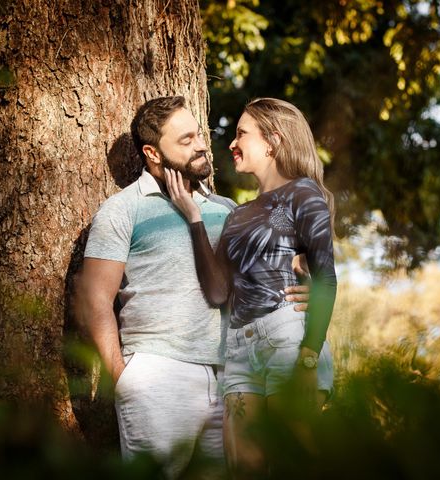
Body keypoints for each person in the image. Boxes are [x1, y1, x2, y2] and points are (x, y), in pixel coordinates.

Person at [75, 96, 310, 479]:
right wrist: (123, 377)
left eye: (199, 133)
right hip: (158, 374)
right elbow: (96, 299)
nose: (202, 144)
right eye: (185, 140)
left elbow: (263, 283)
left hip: (231, 379)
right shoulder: (123, 210)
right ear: (152, 153)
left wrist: (308, 291)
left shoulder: (228, 209)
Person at [165, 97, 337, 478]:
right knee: (245, 469)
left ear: (272, 141)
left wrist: (308, 360)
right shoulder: (238, 214)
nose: (231, 143)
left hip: (289, 340)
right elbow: (218, 293)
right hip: (240, 347)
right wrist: (193, 220)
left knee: (298, 462)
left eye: (242, 133)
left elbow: (325, 278)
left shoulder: (304, 193)